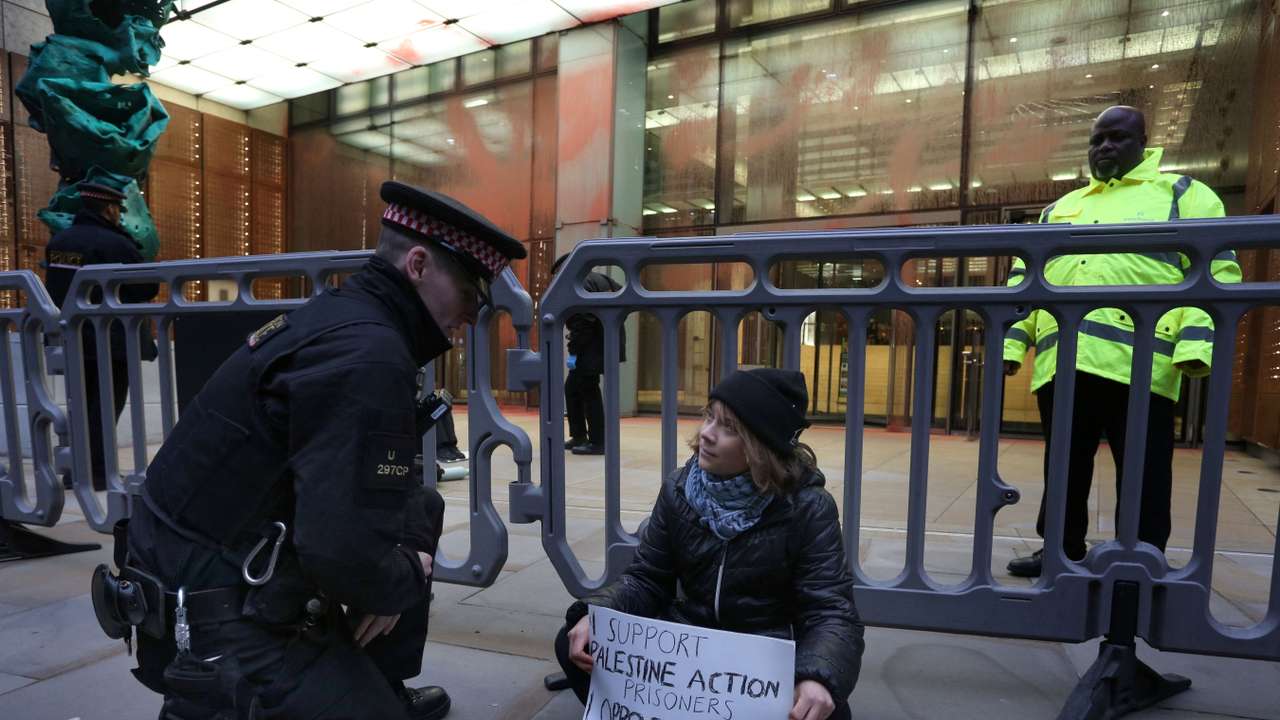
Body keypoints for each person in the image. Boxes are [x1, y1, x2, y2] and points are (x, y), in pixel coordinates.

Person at [106, 182, 525, 719]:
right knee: (392, 573)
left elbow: (371, 492)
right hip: (216, 617)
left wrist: (395, 569)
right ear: (418, 264)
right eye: (469, 294)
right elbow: (339, 554)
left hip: (210, 565)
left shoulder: (345, 319)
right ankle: (222, 700)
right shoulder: (369, 355)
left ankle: (372, 680)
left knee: (419, 510)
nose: (471, 314)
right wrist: (402, 577)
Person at [1003, 106, 1242, 578]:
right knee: (1063, 467)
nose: (1104, 147)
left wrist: (1195, 347)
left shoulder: (1183, 194)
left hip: (1141, 364)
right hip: (1064, 360)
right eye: (1097, 140)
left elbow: (1216, 272)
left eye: (1117, 137)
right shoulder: (1059, 208)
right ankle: (1060, 551)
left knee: (1144, 471)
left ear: (1144, 142)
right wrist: (1012, 345)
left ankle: (1141, 557)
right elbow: (1024, 280)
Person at [553, 369, 864, 720]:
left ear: (761, 446)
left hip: (763, 661)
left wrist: (818, 676)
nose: (706, 433)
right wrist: (598, 615)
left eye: (728, 427)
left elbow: (830, 611)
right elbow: (646, 579)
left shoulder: (808, 508)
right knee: (575, 641)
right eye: (709, 416)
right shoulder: (679, 489)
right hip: (688, 654)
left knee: (827, 707)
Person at [43, 182, 157, 492]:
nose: (119, 215)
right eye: (118, 209)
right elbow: (147, 287)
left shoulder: (61, 241)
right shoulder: (116, 244)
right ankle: (98, 473)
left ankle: (76, 471)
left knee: (79, 405)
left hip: (73, 337)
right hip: (111, 340)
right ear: (109, 209)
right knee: (105, 408)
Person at [551, 253, 625, 456]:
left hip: (591, 346)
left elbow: (583, 322)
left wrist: (574, 350)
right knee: (574, 387)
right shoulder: (601, 279)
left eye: (557, 274)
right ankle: (580, 435)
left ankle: (597, 441)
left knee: (588, 390)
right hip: (606, 342)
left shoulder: (579, 282)